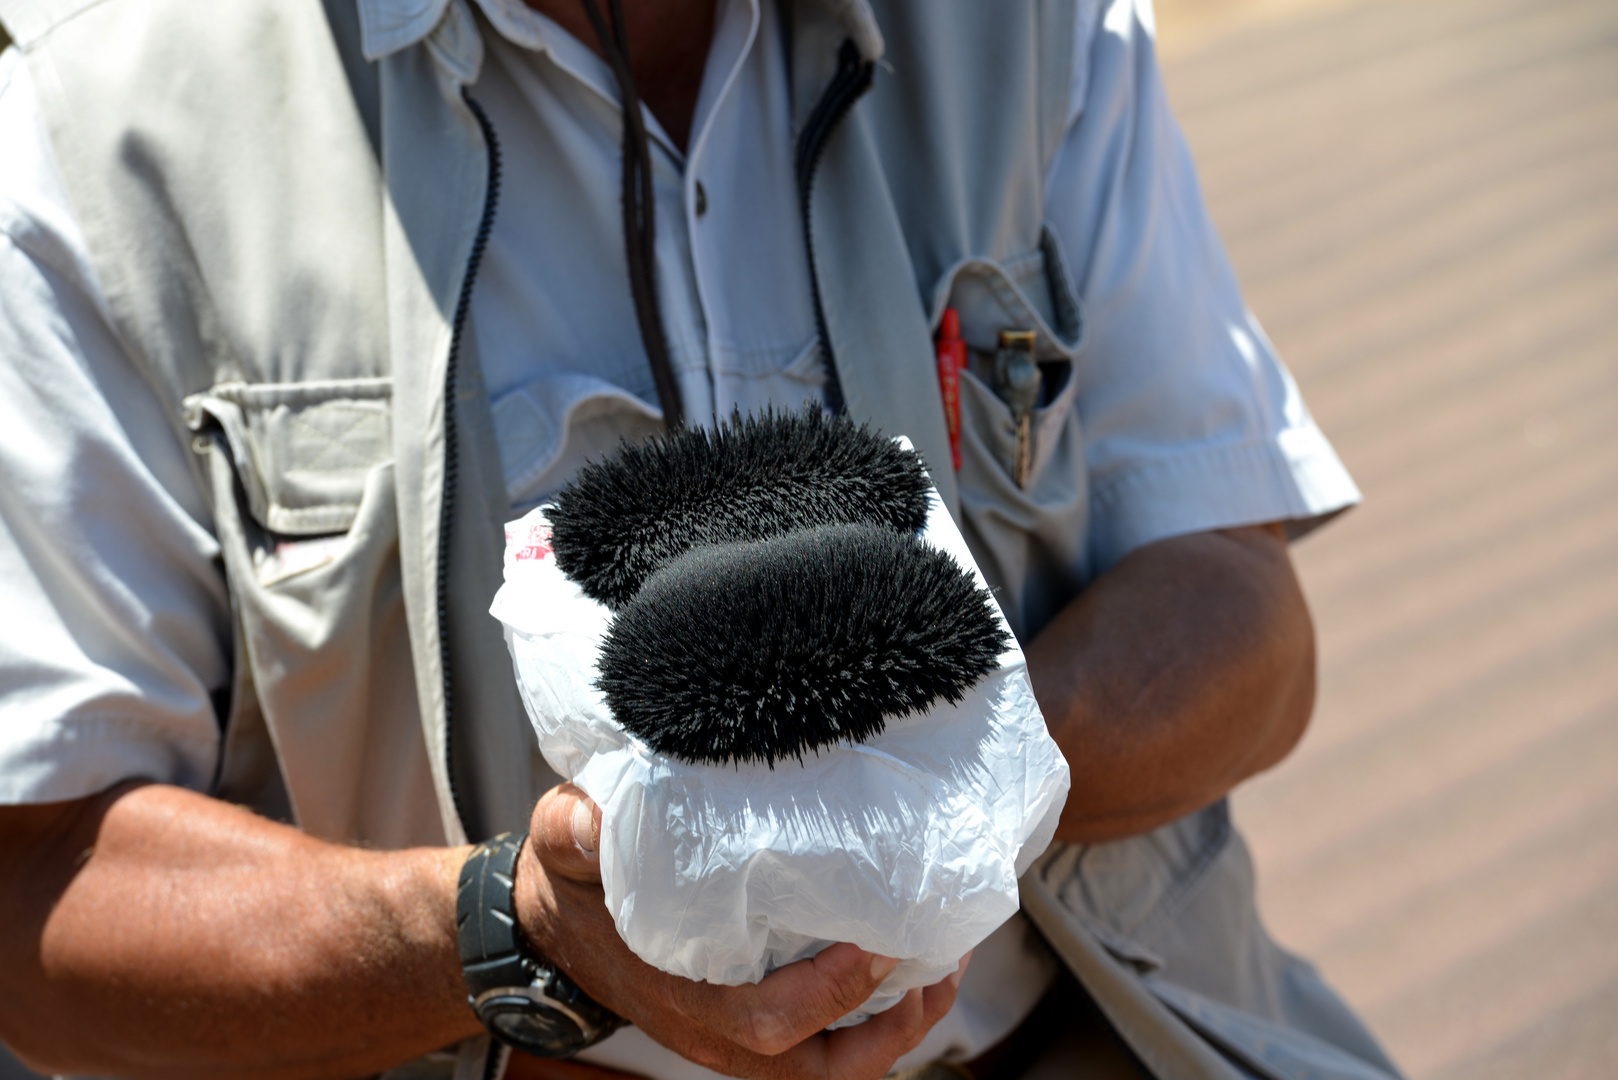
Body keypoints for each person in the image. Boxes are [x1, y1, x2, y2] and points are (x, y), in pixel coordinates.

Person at [0, 0, 1403, 1078]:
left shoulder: (1024, 27)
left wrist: (940, 791)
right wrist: (512, 933)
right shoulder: (92, 117)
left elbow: (1243, 614)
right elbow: (37, 888)